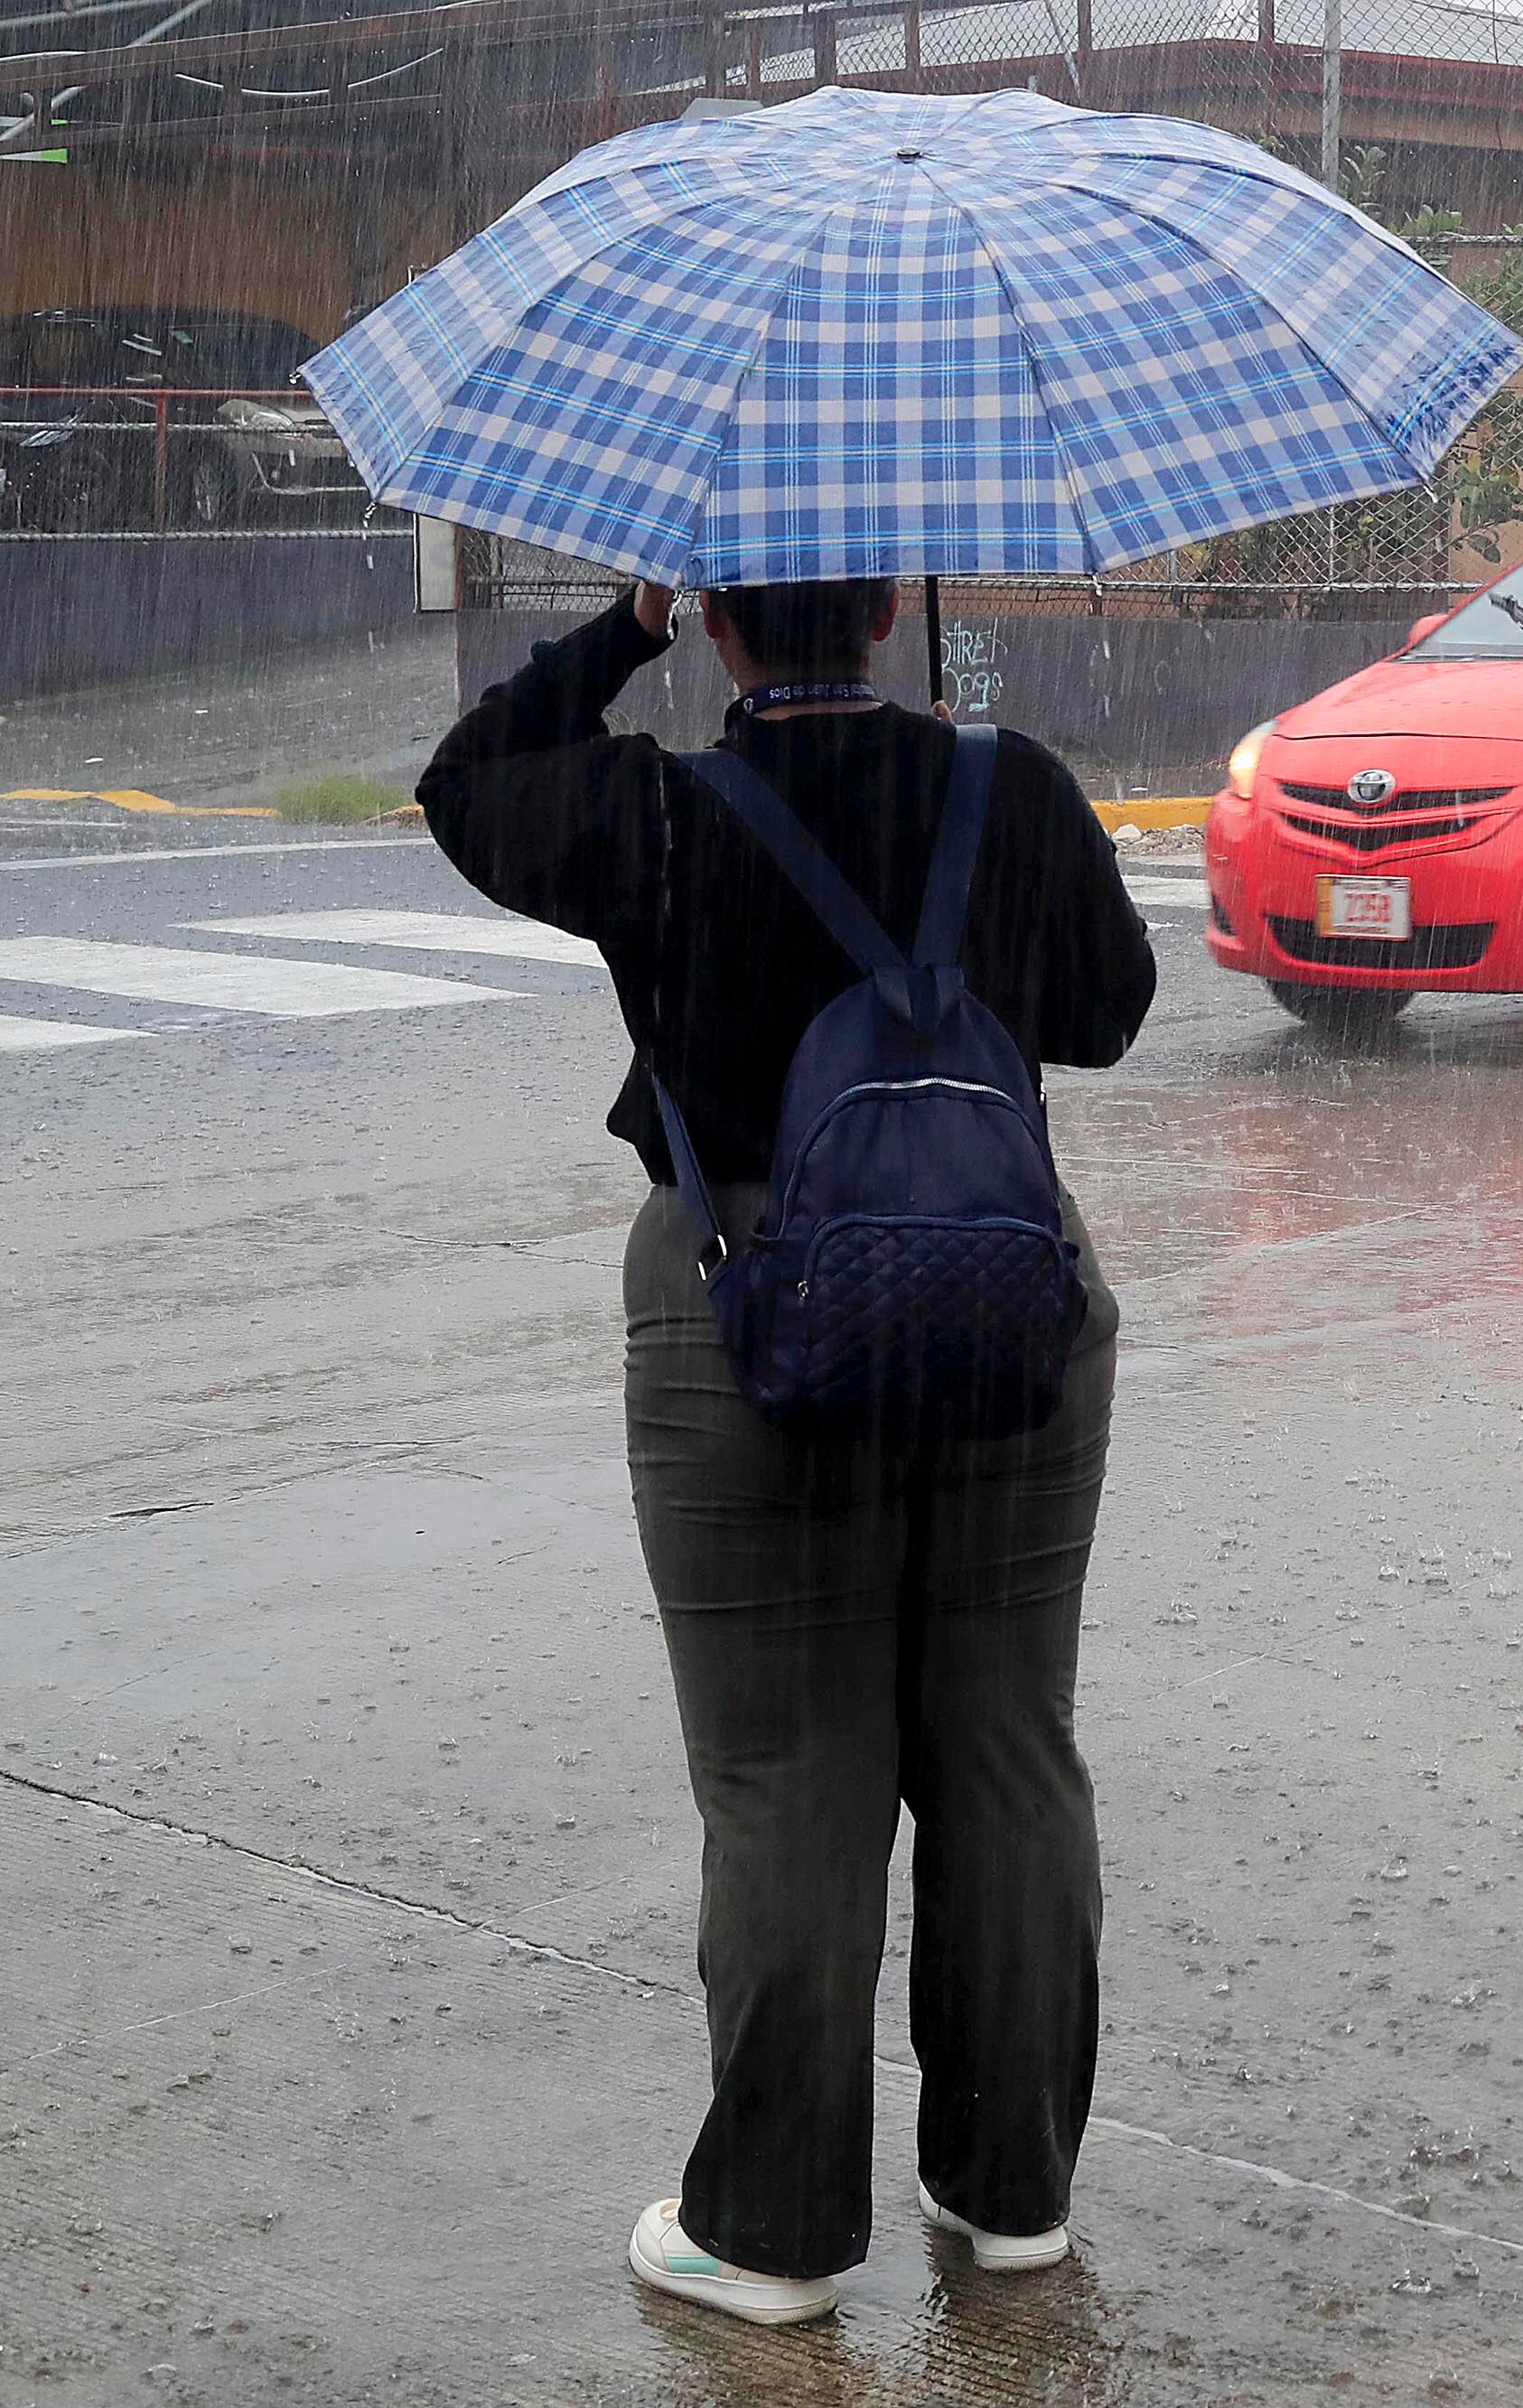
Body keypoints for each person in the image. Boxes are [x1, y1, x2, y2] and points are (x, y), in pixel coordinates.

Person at [419, 577, 1158, 2327]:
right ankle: (1012, 2191)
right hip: (1008, 1295)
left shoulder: (656, 813)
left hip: (741, 1304)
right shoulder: (1007, 783)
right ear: (890, 609)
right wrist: (953, 889)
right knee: (1005, 1745)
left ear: (721, 627)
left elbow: (466, 782)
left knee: (787, 1774)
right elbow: (1107, 1010)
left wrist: (622, 628)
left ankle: (772, 2236)